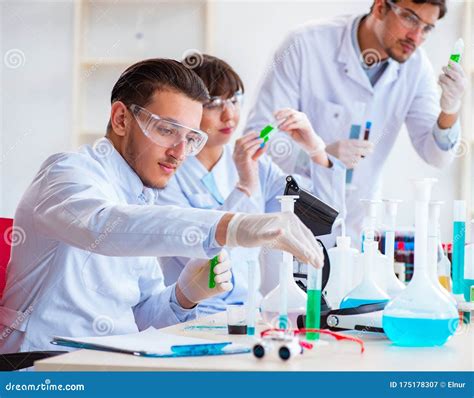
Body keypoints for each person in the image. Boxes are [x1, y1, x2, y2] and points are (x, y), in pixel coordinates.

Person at [0, 59, 324, 353]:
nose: (180, 152)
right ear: (121, 118)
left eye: (191, 138)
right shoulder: (67, 173)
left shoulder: (140, 197)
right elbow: (104, 225)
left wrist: (185, 295)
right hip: (43, 365)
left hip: (117, 361)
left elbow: (142, 317)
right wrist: (231, 225)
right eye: (167, 130)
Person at [245, 0, 466, 246]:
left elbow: (436, 155)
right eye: (410, 18)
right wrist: (317, 154)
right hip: (291, 223)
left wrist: (450, 109)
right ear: (380, 7)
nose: (416, 36)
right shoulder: (305, 44)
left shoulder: (416, 68)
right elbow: (260, 136)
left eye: (427, 28)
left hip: (358, 228)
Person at [156, 54, 334, 314]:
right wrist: (246, 186)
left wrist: (316, 150)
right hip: (191, 315)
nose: (229, 115)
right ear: (188, 109)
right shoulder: (166, 170)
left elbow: (322, 219)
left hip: (250, 311)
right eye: (214, 104)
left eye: (234, 100)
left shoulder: (256, 163)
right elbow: (205, 258)